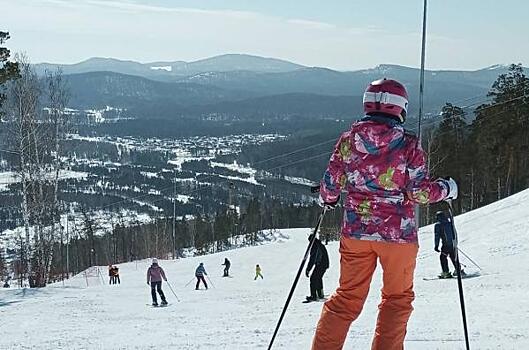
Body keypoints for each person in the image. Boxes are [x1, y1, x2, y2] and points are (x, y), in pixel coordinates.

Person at [311, 78, 458, 350]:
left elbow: (330, 187)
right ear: (400, 108)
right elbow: (419, 193)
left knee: (346, 298)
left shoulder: (348, 140)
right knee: (396, 300)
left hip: (356, 233)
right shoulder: (408, 144)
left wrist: (327, 200)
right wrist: (447, 188)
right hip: (397, 235)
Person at [434, 211, 463, 278]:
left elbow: (437, 236)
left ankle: (446, 272)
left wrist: (436, 246)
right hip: (452, 244)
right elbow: (455, 233)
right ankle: (458, 270)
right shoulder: (450, 223)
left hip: (446, 244)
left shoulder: (438, 225)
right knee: (453, 256)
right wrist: (455, 243)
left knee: (443, 257)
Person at [305, 234, 329, 302]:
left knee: (313, 278)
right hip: (324, 264)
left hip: (321, 264)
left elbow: (313, 258)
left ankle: (314, 296)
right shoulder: (319, 244)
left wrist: (308, 269)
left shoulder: (315, 245)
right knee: (318, 278)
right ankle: (320, 294)